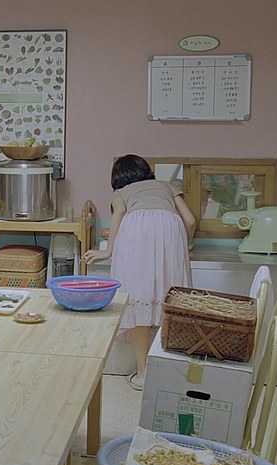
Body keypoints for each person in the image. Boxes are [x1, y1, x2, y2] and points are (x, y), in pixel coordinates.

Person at [82, 154, 195, 391]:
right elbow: (190, 220)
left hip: (137, 229)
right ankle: (168, 373)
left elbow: (118, 214)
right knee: (170, 301)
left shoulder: (121, 192)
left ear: (118, 177)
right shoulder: (166, 186)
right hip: (170, 229)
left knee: (138, 296)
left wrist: (108, 251)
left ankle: (143, 374)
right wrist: (186, 244)